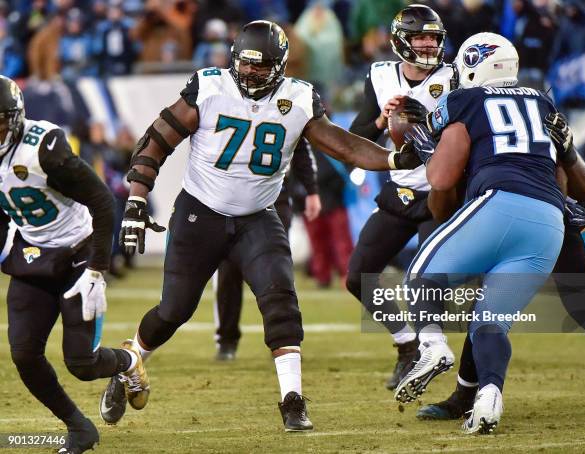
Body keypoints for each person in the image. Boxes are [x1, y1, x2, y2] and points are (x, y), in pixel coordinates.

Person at [98, 20, 417, 432]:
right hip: (200, 214)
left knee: (280, 301)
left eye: (261, 67)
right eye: (245, 65)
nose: (250, 74)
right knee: (174, 310)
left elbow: (340, 143)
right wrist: (138, 199)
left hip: (258, 219)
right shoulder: (210, 87)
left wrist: (391, 159)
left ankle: (292, 400)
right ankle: (129, 363)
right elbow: (156, 139)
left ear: (281, 66)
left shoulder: (298, 98)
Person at [392, 33, 585, 434]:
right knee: (490, 321)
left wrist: (424, 144)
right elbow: (580, 185)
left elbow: (442, 177)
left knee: (420, 276)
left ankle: (432, 348)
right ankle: (488, 398)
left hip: (500, 205)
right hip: (550, 222)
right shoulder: (541, 102)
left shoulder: (463, 100)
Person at [0, 75, 148, 454]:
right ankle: (79, 428)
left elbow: (102, 200)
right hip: (33, 253)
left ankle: (128, 361)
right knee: (23, 353)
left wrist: (98, 269)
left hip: (78, 252)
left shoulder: (43, 147)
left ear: (15, 119)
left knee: (81, 363)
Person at [346, 4, 457, 391]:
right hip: (399, 191)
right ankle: (407, 344)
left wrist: (425, 121)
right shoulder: (380, 76)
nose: (428, 43)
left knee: (429, 282)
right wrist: (382, 119)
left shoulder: (455, 77)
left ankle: (455, 370)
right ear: (400, 42)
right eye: (420, 37)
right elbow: (359, 136)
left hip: (441, 194)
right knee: (358, 276)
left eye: (433, 37)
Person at [213, 137, 320, 361]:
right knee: (228, 272)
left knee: (276, 273)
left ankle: (284, 340)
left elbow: (301, 149)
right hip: (232, 201)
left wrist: (312, 190)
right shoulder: (231, 104)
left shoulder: (290, 106)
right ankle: (226, 339)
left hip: (275, 200)